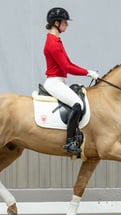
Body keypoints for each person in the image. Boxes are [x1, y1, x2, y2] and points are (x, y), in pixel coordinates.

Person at [43, 7, 99, 156]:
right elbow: (67, 67)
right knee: (77, 104)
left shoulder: (56, 40)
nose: (66, 25)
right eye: (65, 22)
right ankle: (70, 142)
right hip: (54, 82)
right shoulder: (53, 43)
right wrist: (87, 73)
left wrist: (88, 71)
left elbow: (69, 63)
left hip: (60, 81)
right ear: (56, 23)